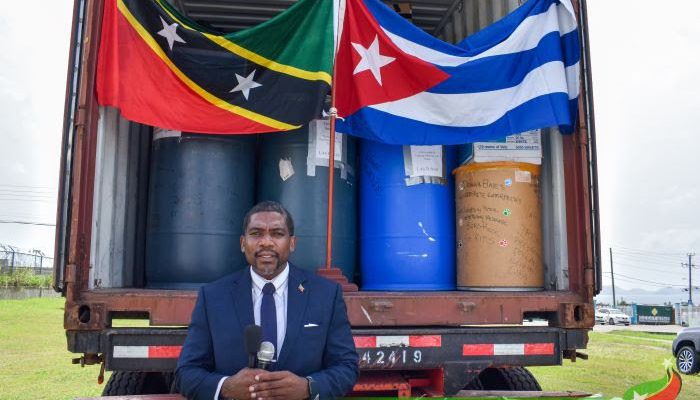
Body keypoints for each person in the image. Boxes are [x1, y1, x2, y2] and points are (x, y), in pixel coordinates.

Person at [176, 201, 359, 400]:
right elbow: (186, 373)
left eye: (277, 234)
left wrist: (308, 387)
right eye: (256, 234)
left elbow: (347, 367)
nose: (266, 242)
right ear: (242, 243)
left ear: (292, 243)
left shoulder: (325, 294)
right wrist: (226, 387)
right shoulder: (213, 297)